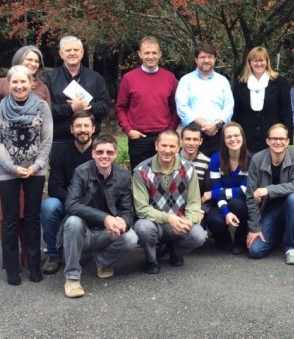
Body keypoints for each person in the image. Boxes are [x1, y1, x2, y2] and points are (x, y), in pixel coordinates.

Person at [0, 45, 51, 269]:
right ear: (18, 59)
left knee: (30, 213)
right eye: (28, 59)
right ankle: (11, 259)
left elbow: (46, 127)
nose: (32, 63)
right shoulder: (3, 83)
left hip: (34, 162)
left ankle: (29, 258)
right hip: (6, 160)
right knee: (7, 213)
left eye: (36, 60)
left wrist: (39, 162)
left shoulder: (43, 89)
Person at [60, 134, 138, 298]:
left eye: (109, 152)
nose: (104, 156)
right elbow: (71, 205)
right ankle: (72, 278)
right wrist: (105, 218)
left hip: (107, 233)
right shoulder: (81, 172)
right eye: (100, 151)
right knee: (73, 222)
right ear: (93, 153)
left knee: (131, 237)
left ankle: (101, 260)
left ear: (115, 154)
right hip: (84, 232)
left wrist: (123, 222)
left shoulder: (123, 175)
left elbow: (127, 210)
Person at [133, 130, 207, 274]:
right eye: (164, 145)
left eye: (172, 146)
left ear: (178, 147)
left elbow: (194, 202)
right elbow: (141, 208)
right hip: (154, 223)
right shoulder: (141, 171)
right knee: (142, 228)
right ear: (156, 146)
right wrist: (168, 218)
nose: (168, 150)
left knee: (199, 235)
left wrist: (188, 221)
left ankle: (174, 253)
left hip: (179, 222)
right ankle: (151, 260)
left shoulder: (189, 169)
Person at [40, 111, 95, 274]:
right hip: (67, 201)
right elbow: (54, 188)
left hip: (95, 204)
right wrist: (75, 202)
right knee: (49, 206)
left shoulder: (100, 151)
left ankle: (97, 250)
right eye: (78, 126)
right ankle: (53, 254)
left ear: (93, 128)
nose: (82, 129)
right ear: (71, 129)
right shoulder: (60, 152)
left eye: (86, 126)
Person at [115, 36, 180, 170]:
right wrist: (128, 130)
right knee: (140, 177)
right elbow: (120, 108)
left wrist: (170, 130)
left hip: (163, 137)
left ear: (160, 54)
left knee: (165, 176)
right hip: (139, 138)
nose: (151, 56)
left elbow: (176, 108)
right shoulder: (129, 78)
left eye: (154, 53)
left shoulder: (170, 78)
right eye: (147, 53)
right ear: (140, 54)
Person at [246, 124, 294, 264]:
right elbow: (251, 196)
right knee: (255, 251)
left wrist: (268, 190)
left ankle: (291, 246)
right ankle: (278, 233)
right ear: (268, 141)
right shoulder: (257, 159)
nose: (278, 142)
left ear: (287, 141)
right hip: (269, 209)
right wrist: (255, 228)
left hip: (291, 206)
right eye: (274, 138)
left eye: (282, 139)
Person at [44, 36, 111, 144]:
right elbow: (45, 110)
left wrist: (88, 107)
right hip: (60, 140)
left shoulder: (95, 78)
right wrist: (70, 108)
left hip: (90, 140)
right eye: (68, 50)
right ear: (61, 54)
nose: (72, 53)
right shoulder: (49, 78)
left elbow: (105, 107)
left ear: (82, 53)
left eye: (76, 50)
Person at [175, 43, 234, 156]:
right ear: (196, 59)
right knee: (194, 168)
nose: (206, 60)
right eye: (202, 57)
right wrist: (205, 124)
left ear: (214, 59)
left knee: (217, 167)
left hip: (218, 133)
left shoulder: (223, 81)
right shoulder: (186, 80)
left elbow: (229, 106)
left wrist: (216, 124)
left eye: (210, 57)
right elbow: (182, 107)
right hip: (193, 134)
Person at [233, 46, 293, 153]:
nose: (259, 64)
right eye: (255, 61)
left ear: (267, 62)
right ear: (249, 63)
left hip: (273, 140)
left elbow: (286, 113)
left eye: (261, 60)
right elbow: (236, 114)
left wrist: (288, 140)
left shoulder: (280, 82)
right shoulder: (240, 84)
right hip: (247, 140)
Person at [204, 122, 250, 254]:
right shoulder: (215, 159)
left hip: (242, 202)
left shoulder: (252, 159)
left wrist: (212, 194)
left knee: (237, 204)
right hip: (220, 201)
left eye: (236, 135)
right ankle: (224, 240)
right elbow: (217, 187)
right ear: (224, 140)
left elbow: (244, 191)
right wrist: (226, 212)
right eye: (228, 136)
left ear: (242, 137)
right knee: (214, 220)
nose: (233, 139)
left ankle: (240, 241)